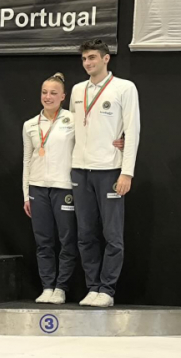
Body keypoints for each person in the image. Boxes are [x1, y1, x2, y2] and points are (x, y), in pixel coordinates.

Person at [69, 39, 140, 307]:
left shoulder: (124, 88)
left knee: (112, 235)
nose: (88, 63)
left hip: (110, 170)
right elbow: (74, 129)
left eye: (93, 58)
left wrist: (127, 172)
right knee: (85, 234)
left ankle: (108, 290)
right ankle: (93, 287)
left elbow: (132, 131)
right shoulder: (77, 90)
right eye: (85, 59)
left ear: (106, 59)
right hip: (80, 170)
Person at [22, 73, 77, 304]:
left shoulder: (73, 120)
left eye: (54, 93)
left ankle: (61, 287)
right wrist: (26, 194)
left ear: (63, 96)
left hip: (64, 187)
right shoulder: (30, 124)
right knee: (43, 241)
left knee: (67, 240)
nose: (48, 96)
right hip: (37, 188)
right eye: (45, 92)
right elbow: (27, 159)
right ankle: (47, 286)